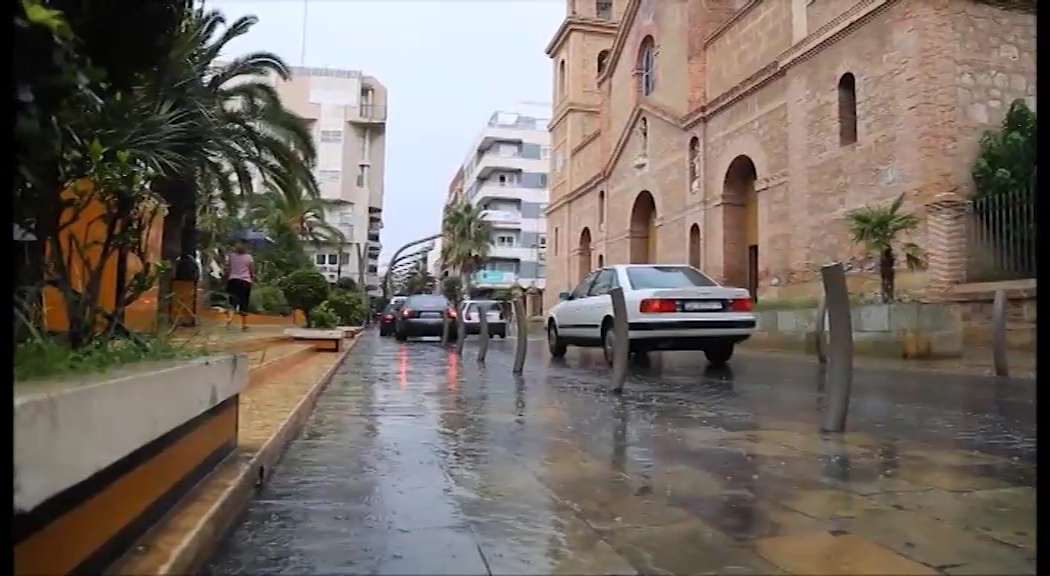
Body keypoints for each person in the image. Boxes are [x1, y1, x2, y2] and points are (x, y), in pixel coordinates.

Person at [223, 240, 255, 330]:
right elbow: (252, 270)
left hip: (233, 281)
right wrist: (253, 279)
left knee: (232, 302)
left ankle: (229, 320)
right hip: (245, 282)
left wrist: (227, 278)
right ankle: (244, 324)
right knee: (244, 302)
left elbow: (228, 268)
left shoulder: (231, 256)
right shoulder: (249, 257)